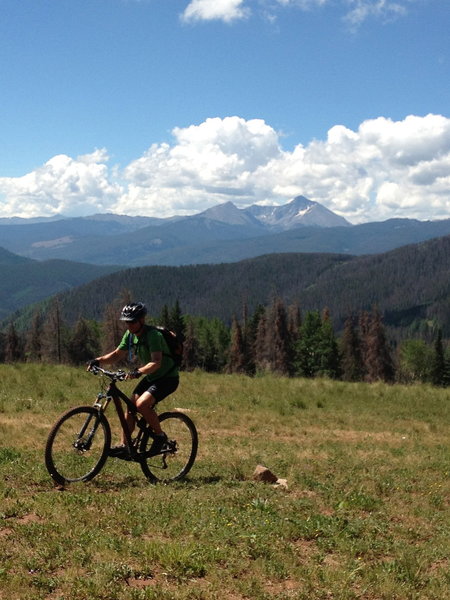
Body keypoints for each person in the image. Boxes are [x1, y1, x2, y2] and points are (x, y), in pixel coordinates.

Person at [87, 302, 179, 457]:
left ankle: (160, 437)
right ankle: (125, 445)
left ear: (142, 320)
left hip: (167, 378)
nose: (129, 325)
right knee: (131, 407)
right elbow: (117, 354)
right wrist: (98, 360)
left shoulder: (153, 336)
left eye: (132, 321)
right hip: (152, 377)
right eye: (126, 322)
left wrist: (138, 371)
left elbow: (157, 362)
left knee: (142, 404)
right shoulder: (130, 335)